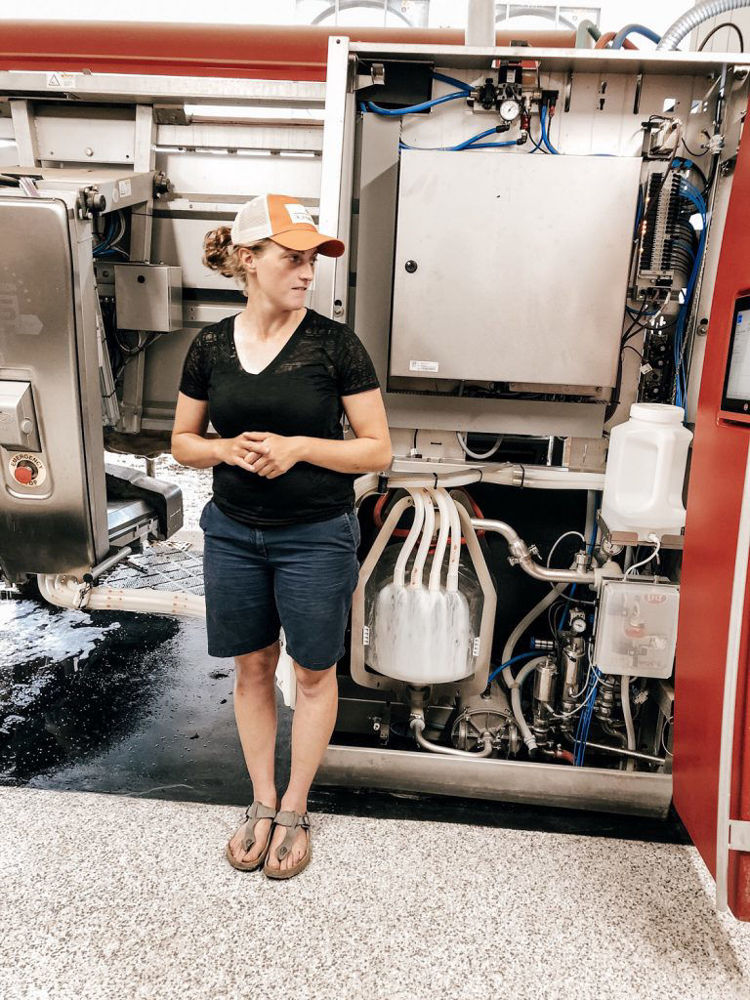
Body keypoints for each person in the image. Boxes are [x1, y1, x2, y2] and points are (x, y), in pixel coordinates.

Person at [171, 194, 392, 880]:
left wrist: (299, 447)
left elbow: (377, 449)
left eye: (312, 260)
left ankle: (296, 806)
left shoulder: (334, 345)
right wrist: (224, 449)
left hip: (315, 536)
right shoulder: (210, 345)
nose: (307, 272)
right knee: (253, 667)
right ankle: (262, 800)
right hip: (233, 533)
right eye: (293, 258)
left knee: (314, 672)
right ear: (248, 259)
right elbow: (181, 443)